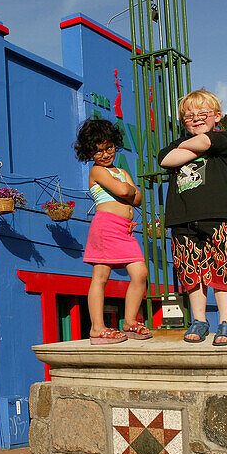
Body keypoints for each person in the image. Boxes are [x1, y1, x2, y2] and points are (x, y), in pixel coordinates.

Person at [158, 89, 227, 346]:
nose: (196, 118)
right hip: (182, 218)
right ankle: (199, 320)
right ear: (182, 121)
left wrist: (186, 149)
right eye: (189, 115)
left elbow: (205, 143)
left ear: (217, 115)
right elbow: (166, 159)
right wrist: (189, 148)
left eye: (202, 113)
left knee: (221, 266)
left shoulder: (222, 140)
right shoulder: (175, 145)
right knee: (190, 270)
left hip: (216, 216)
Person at [74, 119, 150, 345]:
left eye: (109, 148)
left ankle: (129, 322)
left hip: (125, 230)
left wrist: (129, 190)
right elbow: (124, 189)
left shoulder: (121, 170)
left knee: (140, 273)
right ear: (89, 153)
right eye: (98, 151)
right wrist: (127, 189)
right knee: (100, 276)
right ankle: (97, 328)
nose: (105, 154)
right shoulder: (97, 171)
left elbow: (137, 199)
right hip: (106, 226)